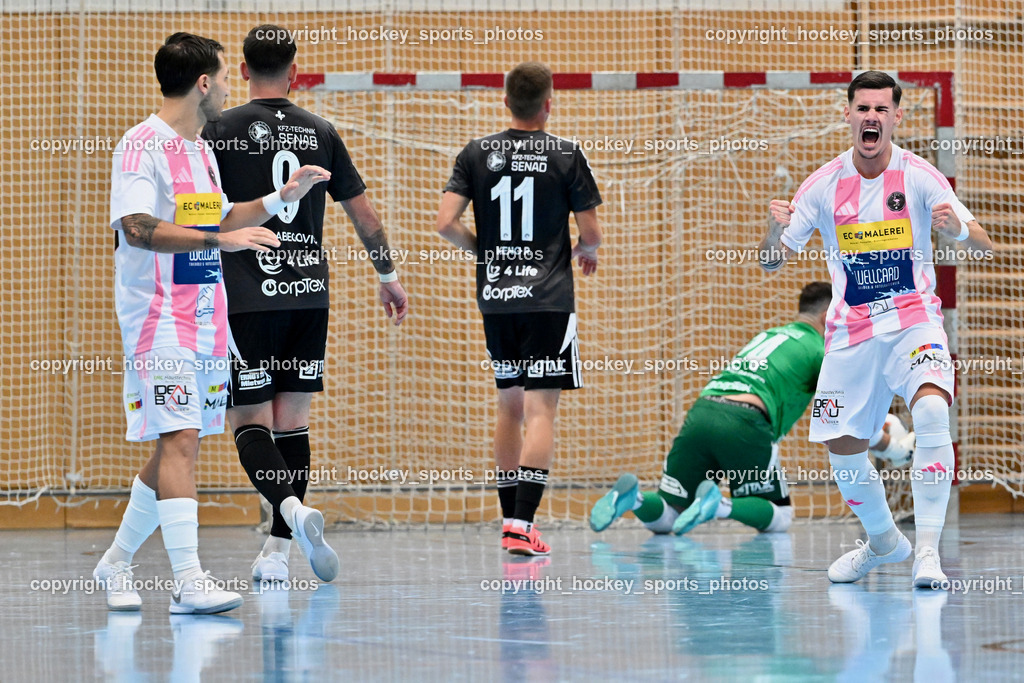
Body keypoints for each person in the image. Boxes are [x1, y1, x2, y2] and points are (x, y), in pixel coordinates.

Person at [94, 32, 330, 613]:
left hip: (205, 317)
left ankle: (115, 562)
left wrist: (281, 197)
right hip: (158, 319)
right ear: (204, 83)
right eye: (224, 77)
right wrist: (219, 242)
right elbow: (137, 227)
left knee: (176, 445)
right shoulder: (141, 145)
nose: (229, 87)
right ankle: (188, 581)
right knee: (180, 441)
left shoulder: (200, 150)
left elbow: (224, 217)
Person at [757, 71, 993, 587]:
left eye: (881, 109)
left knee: (931, 410)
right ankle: (884, 541)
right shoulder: (822, 184)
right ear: (848, 114)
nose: (872, 117)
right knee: (842, 447)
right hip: (852, 332)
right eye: (863, 108)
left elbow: (984, 241)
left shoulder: (919, 175)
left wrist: (959, 230)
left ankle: (927, 553)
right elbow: (771, 261)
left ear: (896, 117)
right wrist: (774, 230)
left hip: (913, 322)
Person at [202, 25, 408, 584]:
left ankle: (289, 513)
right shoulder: (322, 130)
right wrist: (388, 276)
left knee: (249, 421)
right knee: (292, 423)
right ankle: (277, 552)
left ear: (242, 71)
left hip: (245, 296)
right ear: (294, 72)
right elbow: (366, 218)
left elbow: (203, 213)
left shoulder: (217, 129)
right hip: (308, 296)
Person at [590, 283, 914, 536]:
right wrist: (892, 447)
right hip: (744, 422)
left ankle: (633, 499)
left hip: (702, 413)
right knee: (781, 515)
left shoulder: (770, 335)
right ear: (826, 318)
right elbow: (846, 419)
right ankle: (720, 506)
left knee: (669, 514)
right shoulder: (821, 350)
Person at [437, 62, 603, 556]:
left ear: (505, 102)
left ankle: (511, 519)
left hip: (497, 301)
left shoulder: (475, 153)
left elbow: (445, 223)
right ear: (548, 105)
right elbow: (592, 234)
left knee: (508, 406)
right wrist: (584, 251)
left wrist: (485, 252)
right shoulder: (566, 154)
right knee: (541, 410)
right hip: (548, 301)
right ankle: (523, 524)